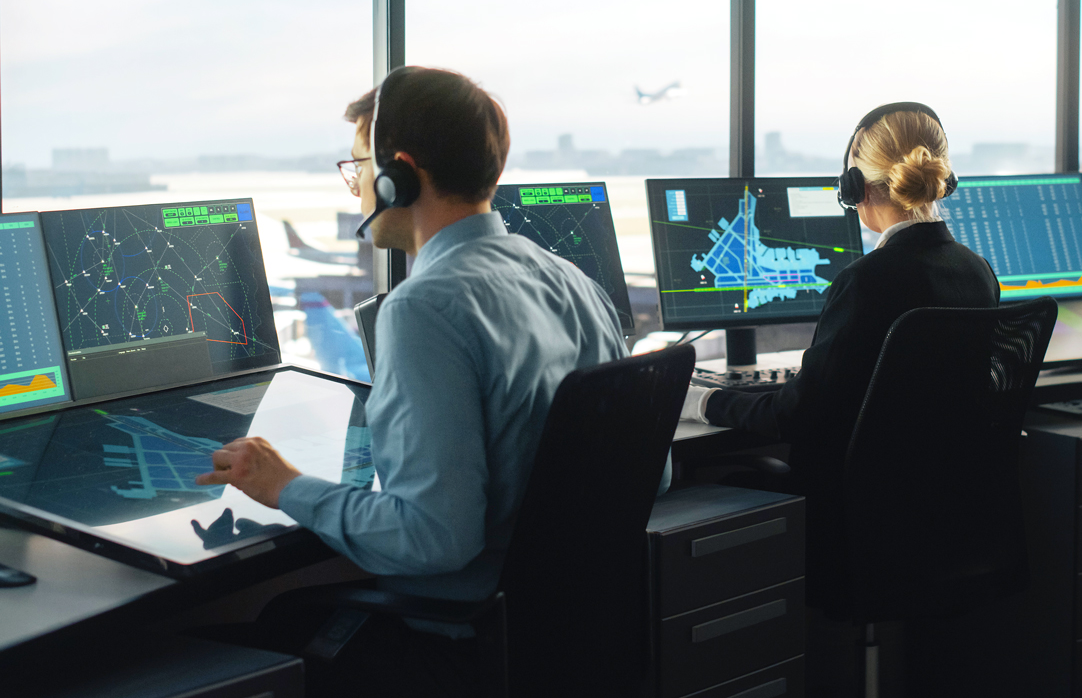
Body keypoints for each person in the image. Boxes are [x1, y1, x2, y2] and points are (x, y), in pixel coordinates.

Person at [196, 66, 629, 696]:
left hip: (451, 643)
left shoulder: (424, 307)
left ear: (398, 173)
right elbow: (654, 472)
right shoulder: (572, 281)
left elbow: (433, 540)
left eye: (358, 168)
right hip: (564, 638)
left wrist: (285, 485)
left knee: (237, 636)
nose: (357, 189)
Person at [680, 102, 999, 696]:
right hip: (942, 516)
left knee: (732, 475)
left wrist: (703, 403)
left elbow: (802, 413)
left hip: (862, 528)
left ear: (853, 186)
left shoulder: (869, 280)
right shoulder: (976, 271)